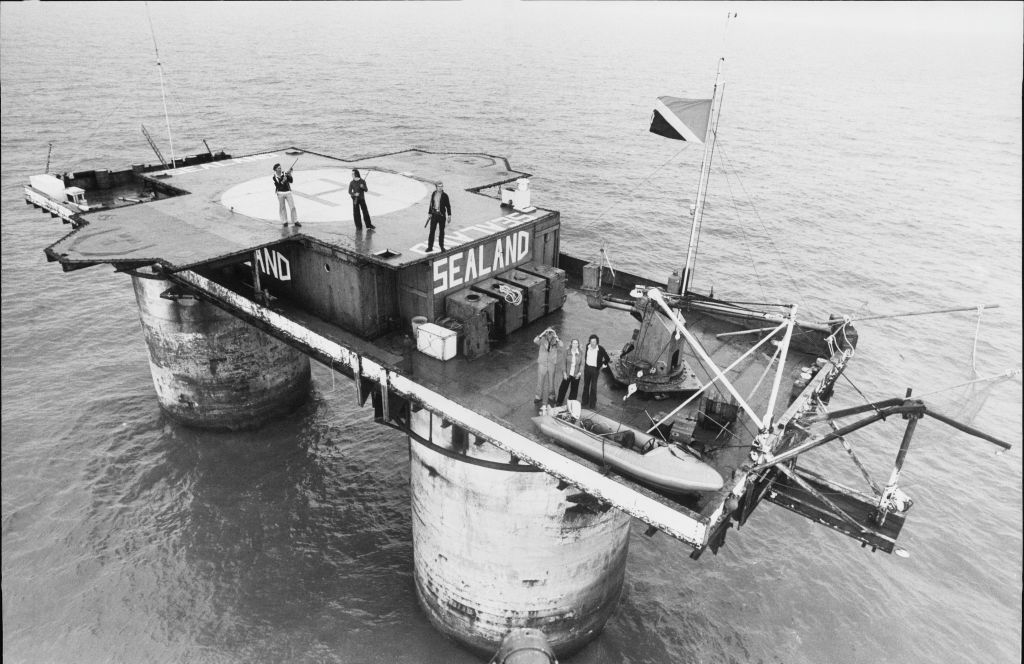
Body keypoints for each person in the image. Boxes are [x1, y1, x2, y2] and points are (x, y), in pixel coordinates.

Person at [533, 327, 563, 405]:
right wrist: (543, 332)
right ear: (546, 333)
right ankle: (538, 397)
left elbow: (561, 345)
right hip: (542, 363)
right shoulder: (542, 339)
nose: (549, 334)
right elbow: (535, 340)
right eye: (548, 332)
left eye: (551, 332)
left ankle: (551, 396)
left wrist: (556, 335)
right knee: (540, 381)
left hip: (551, 364)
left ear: (553, 333)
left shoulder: (556, 340)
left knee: (551, 382)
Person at [581, 334, 610, 409]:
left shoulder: (601, 349)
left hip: (595, 370)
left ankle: (592, 404)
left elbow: (607, 358)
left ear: (597, 342)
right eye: (591, 341)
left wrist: (602, 365)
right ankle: (584, 402)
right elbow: (586, 356)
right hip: (587, 368)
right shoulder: (587, 346)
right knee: (586, 386)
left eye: (594, 342)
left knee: (593, 387)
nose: (592, 343)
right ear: (589, 342)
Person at [556, 338, 583, 405]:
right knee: (562, 388)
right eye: (574, 343)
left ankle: (571, 403)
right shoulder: (566, 351)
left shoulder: (581, 352)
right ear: (571, 344)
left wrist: (579, 373)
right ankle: (559, 402)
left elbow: (582, 364)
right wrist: (564, 373)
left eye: (576, 343)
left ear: (578, 344)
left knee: (574, 390)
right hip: (567, 374)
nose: (575, 345)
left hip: (576, 375)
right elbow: (563, 363)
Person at [425, 181, 450, 252]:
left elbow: (448, 206)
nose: (440, 188)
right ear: (436, 187)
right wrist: (429, 213)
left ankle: (441, 247)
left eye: (441, 186)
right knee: (432, 231)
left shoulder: (445, 195)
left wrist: (449, 215)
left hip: (441, 216)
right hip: (434, 215)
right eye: (439, 186)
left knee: (441, 232)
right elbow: (431, 204)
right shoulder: (433, 193)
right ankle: (430, 247)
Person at [272, 163, 299, 227]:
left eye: (280, 168)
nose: (280, 169)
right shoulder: (274, 177)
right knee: (282, 208)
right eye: (278, 168)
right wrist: (283, 181)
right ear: (275, 170)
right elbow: (278, 186)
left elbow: (291, 181)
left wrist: (289, 174)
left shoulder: (284, 174)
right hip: (280, 193)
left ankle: (295, 221)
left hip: (288, 192)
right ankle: (284, 221)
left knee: (292, 207)